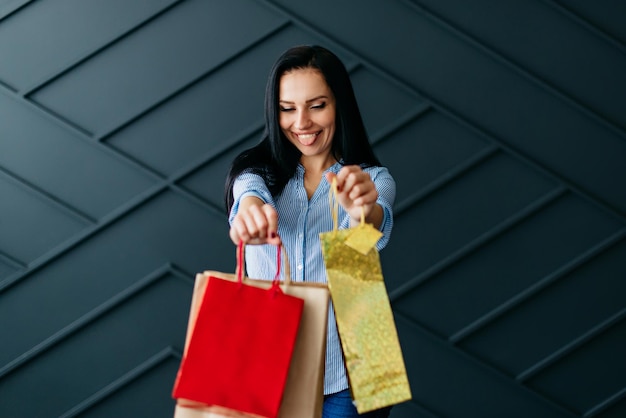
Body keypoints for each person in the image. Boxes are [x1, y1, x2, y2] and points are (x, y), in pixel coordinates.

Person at [224, 45, 396, 418]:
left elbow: (368, 227)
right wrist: (250, 212)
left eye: (317, 105)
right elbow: (248, 195)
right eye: (287, 108)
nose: (301, 122)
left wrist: (361, 212)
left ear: (340, 105)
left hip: (359, 359)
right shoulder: (257, 175)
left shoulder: (374, 179)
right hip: (272, 364)